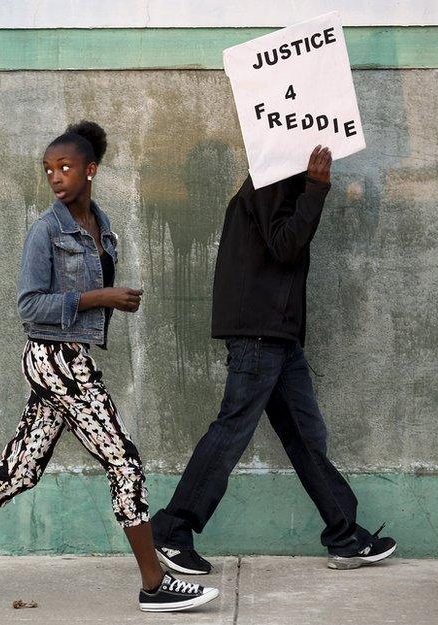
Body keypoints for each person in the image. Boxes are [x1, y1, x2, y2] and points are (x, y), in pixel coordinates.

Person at [0, 121, 220, 613]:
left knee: (20, 471)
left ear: (91, 170)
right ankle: (154, 584)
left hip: (70, 355)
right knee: (124, 461)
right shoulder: (45, 230)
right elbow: (29, 308)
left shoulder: (102, 224)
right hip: (55, 358)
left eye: (66, 167)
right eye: (49, 169)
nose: (56, 176)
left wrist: (109, 301)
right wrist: (101, 297)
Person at [150, 145, 397, 575]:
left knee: (305, 435)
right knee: (233, 429)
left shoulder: (278, 181)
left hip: (277, 335)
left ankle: (344, 534)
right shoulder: (271, 179)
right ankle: (171, 530)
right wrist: (317, 188)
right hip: (260, 335)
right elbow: (285, 246)